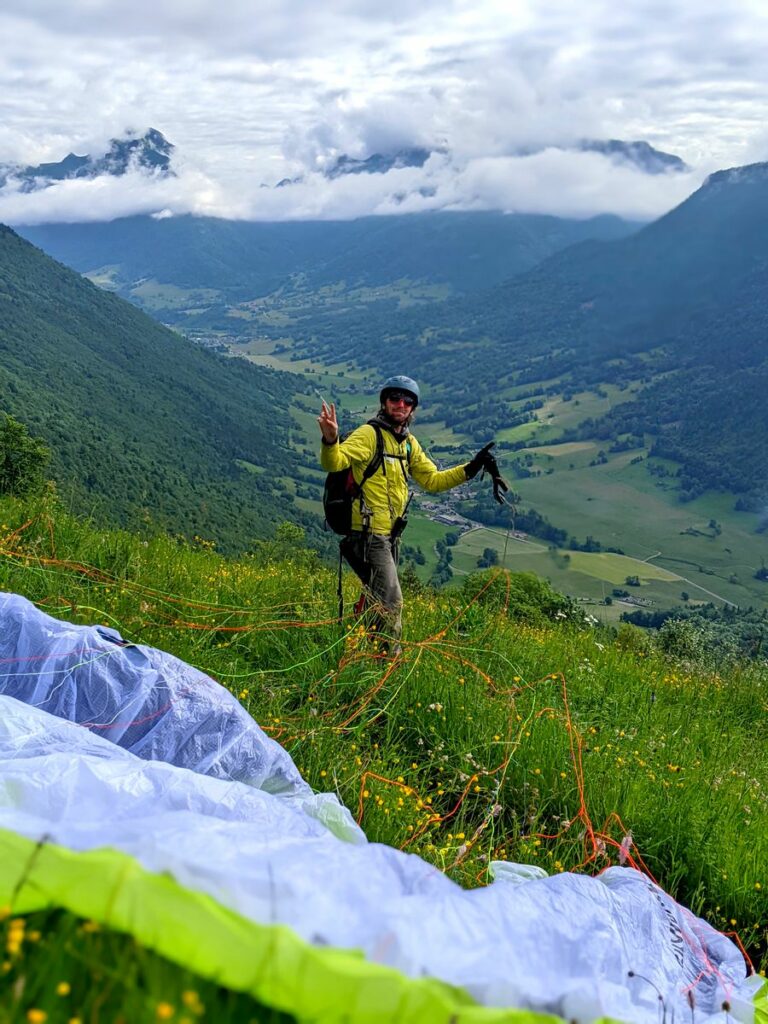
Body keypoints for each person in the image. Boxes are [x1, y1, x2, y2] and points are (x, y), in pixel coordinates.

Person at [318, 375, 507, 654]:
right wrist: (331, 438)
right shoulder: (369, 435)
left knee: (377, 597)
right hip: (368, 535)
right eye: (395, 398)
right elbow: (334, 462)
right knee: (392, 601)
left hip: (390, 535)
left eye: (408, 401)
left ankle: (363, 652)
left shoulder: (407, 444)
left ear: (413, 409)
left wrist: (472, 467)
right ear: (384, 402)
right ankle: (389, 664)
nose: (401, 405)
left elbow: (433, 480)